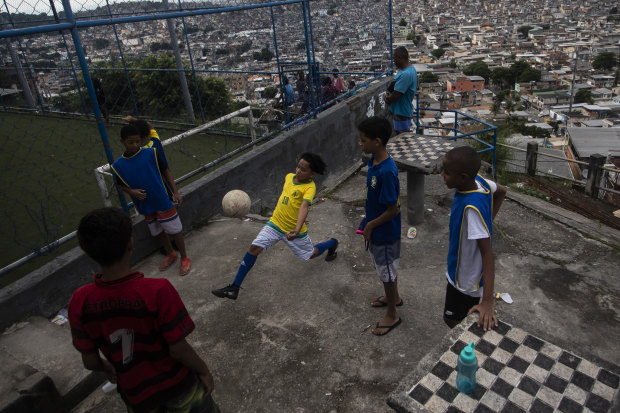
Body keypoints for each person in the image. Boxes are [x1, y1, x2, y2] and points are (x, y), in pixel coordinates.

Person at [68, 207, 219, 413]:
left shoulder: (80, 300)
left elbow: (90, 361)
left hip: (136, 396)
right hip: (177, 386)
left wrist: (107, 367)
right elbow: (178, 349)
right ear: (130, 244)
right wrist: (203, 370)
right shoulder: (157, 291)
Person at [211, 153, 339, 300]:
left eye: (303, 170)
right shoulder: (288, 177)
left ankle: (332, 243)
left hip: (293, 231)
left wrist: (297, 228)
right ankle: (234, 288)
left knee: (311, 254)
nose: (298, 171)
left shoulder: (310, 187)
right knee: (254, 248)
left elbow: (304, 206)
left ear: (313, 174)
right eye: (298, 166)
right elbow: (289, 201)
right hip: (275, 224)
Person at [440, 146, 507, 331]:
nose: (442, 174)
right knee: (457, 317)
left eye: (446, 172)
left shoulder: (471, 208)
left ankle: (465, 349)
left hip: (465, 280)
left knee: (453, 320)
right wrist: (487, 223)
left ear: (462, 177)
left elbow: (487, 254)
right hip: (462, 271)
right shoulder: (479, 182)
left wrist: (487, 301)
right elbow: (501, 191)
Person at [111, 125, 191, 276]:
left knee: (175, 230)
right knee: (157, 230)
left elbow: (166, 171)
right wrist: (132, 191)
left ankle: (184, 257)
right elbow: (121, 185)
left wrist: (175, 192)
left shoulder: (151, 153)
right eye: (131, 142)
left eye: (137, 141)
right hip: (144, 204)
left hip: (162, 199)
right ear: (122, 141)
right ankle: (170, 253)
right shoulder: (118, 166)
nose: (135, 145)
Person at [357, 116, 402, 336]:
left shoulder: (386, 171)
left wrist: (370, 226)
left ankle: (392, 314)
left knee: (387, 272)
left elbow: (393, 210)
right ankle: (394, 297)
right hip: (377, 227)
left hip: (384, 233)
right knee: (388, 268)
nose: (360, 144)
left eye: (363, 141)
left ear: (377, 141)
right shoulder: (373, 161)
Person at [383, 46, 417, 134]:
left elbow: (397, 94)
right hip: (399, 111)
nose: (394, 61)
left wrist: (388, 99)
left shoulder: (406, 74)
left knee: (401, 139)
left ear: (400, 58)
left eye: (395, 58)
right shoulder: (407, 70)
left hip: (401, 112)